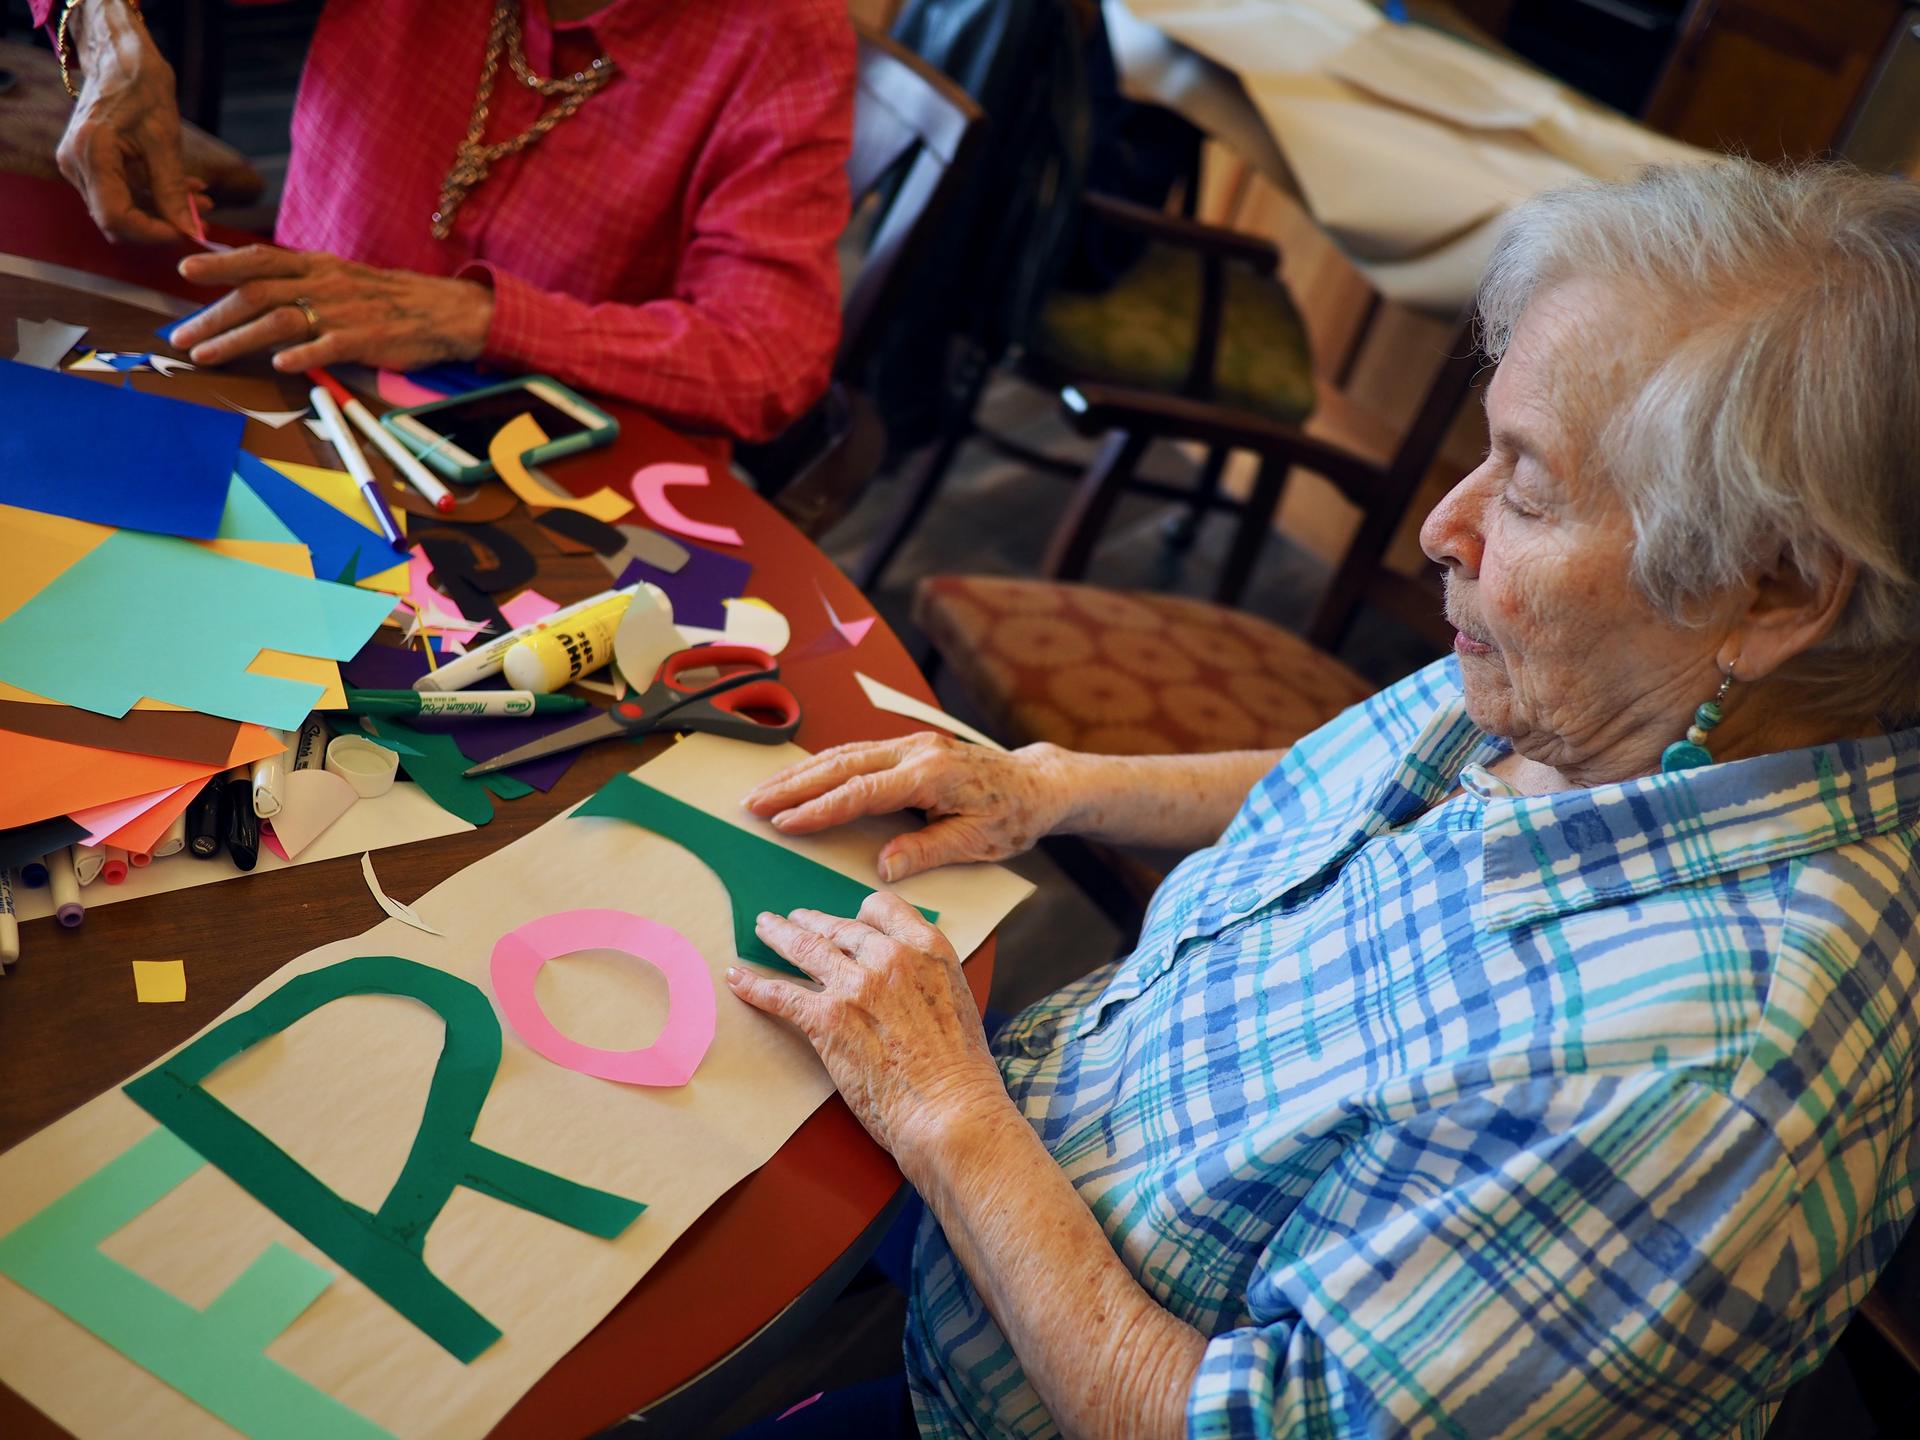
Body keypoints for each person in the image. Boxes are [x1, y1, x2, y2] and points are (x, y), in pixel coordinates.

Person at [727, 159, 1920, 1437]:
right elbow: (1342, 787)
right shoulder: (1620, 686)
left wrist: (950, 1117)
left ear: (1777, 593)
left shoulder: (1694, 1092)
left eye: (1525, 488)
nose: (1443, 530)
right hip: (1017, 1158)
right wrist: (1046, 787)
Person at [40, 0, 855, 441]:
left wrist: (477, 316)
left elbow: (769, 358)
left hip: (517, 463)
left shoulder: (782, 31)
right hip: (290, 380)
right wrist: (104, 30)